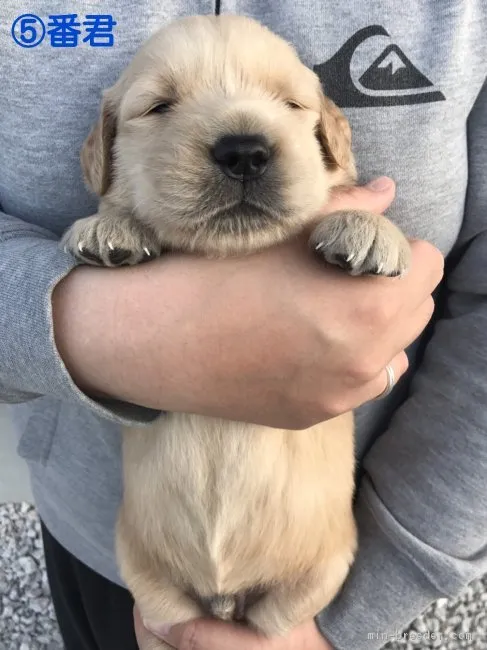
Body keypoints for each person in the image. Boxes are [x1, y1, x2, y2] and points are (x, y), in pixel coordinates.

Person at [0, 2, 485, 650]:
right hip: (124, 553)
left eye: (288, 102)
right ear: (104, 149)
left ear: (330, 140)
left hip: (333, 565)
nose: (243, 143)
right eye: (161, 106)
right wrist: (82, 324)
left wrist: (373, 595)